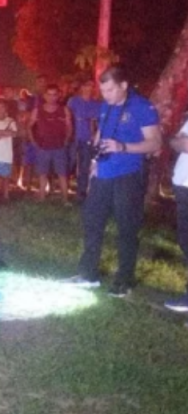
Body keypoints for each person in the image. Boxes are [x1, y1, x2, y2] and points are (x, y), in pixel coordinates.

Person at [67, 67, 161, 297]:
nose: (106, 95)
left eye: (110, 90)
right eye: (103, 90)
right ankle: (88, 273)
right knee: (92, 222)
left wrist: (123, 147)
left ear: (124, 85)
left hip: (128, 175)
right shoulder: (107, 106)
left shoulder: (142, 107)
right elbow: (101, 132)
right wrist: (93, 163)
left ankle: (124, 280)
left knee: (126, 229)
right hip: (103, 174)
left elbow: (155, 143)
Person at [28, 84, 72, 204]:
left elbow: (69, 126)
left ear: (58, 96)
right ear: (45, 96)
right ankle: (41, 198)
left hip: (60, 147)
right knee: (42, 174)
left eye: (54, 94)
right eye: (49, 94)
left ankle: (65, 200)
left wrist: (67, 140)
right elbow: (29, 126)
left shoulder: (64, 109)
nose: (52, 97)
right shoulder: (37, 110)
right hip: (43, 147)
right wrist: (33, 141)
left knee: (62, 174)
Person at [163, 113, 188, 313]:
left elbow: (183, 144)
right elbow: (175, 142)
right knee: (184, 240)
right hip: (183, 186)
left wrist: (180, 141)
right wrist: (179, 140)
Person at [67, 79, 101, 201]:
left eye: (92, 86)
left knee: (84, 166)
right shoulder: (73, 101)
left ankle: (81, 193)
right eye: (86, 85)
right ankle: (64, 190)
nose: (89, 88)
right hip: (73, 138)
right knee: (69, 163)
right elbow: (68, 118)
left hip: (87, 139)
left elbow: (97, 122)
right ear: (81, 87)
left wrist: (94, 136)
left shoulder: (96, 104)